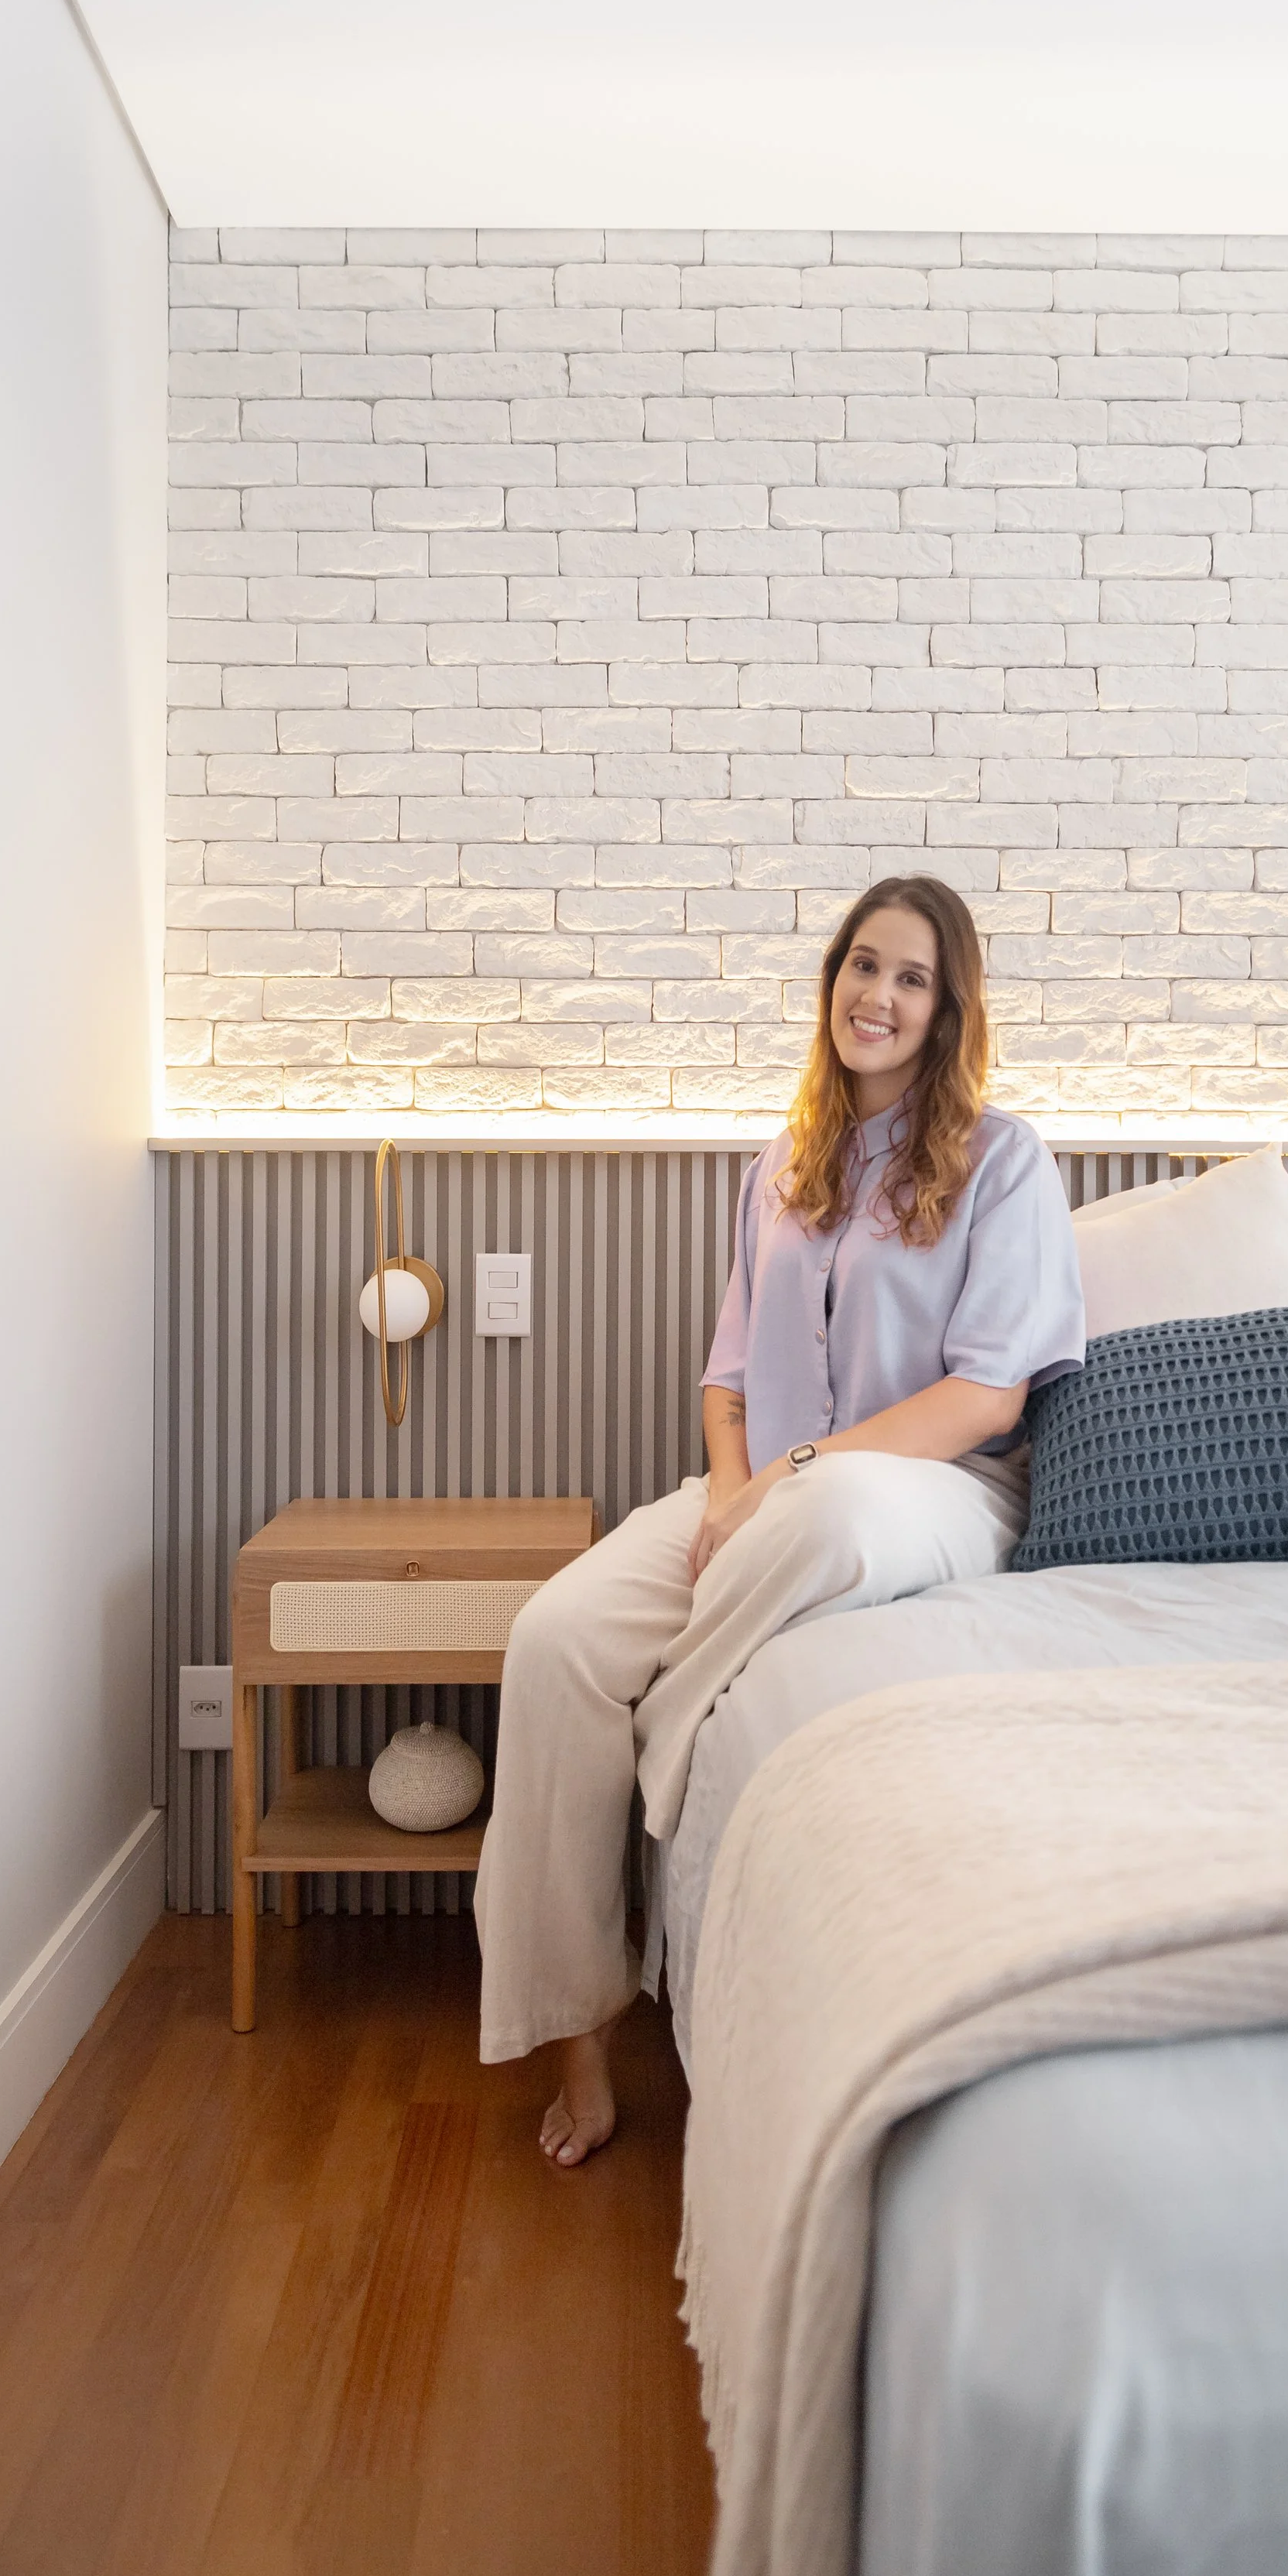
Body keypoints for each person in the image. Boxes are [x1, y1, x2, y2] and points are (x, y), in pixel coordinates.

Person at [472, 875, 1086, 2163]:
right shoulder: (781, 1166)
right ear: (832, 983)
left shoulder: (1004, 1159)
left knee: (831, 1517)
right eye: (864, 965)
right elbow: (726, 1375)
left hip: (927, 1492)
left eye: (912, 977)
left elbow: (985, 1396)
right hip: (763, 1493)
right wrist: (735, 1484)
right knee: (553, 1637)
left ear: (947, 1005)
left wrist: (788, 1476)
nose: (880, 994)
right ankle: (576, 2034)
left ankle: (661, 1738)